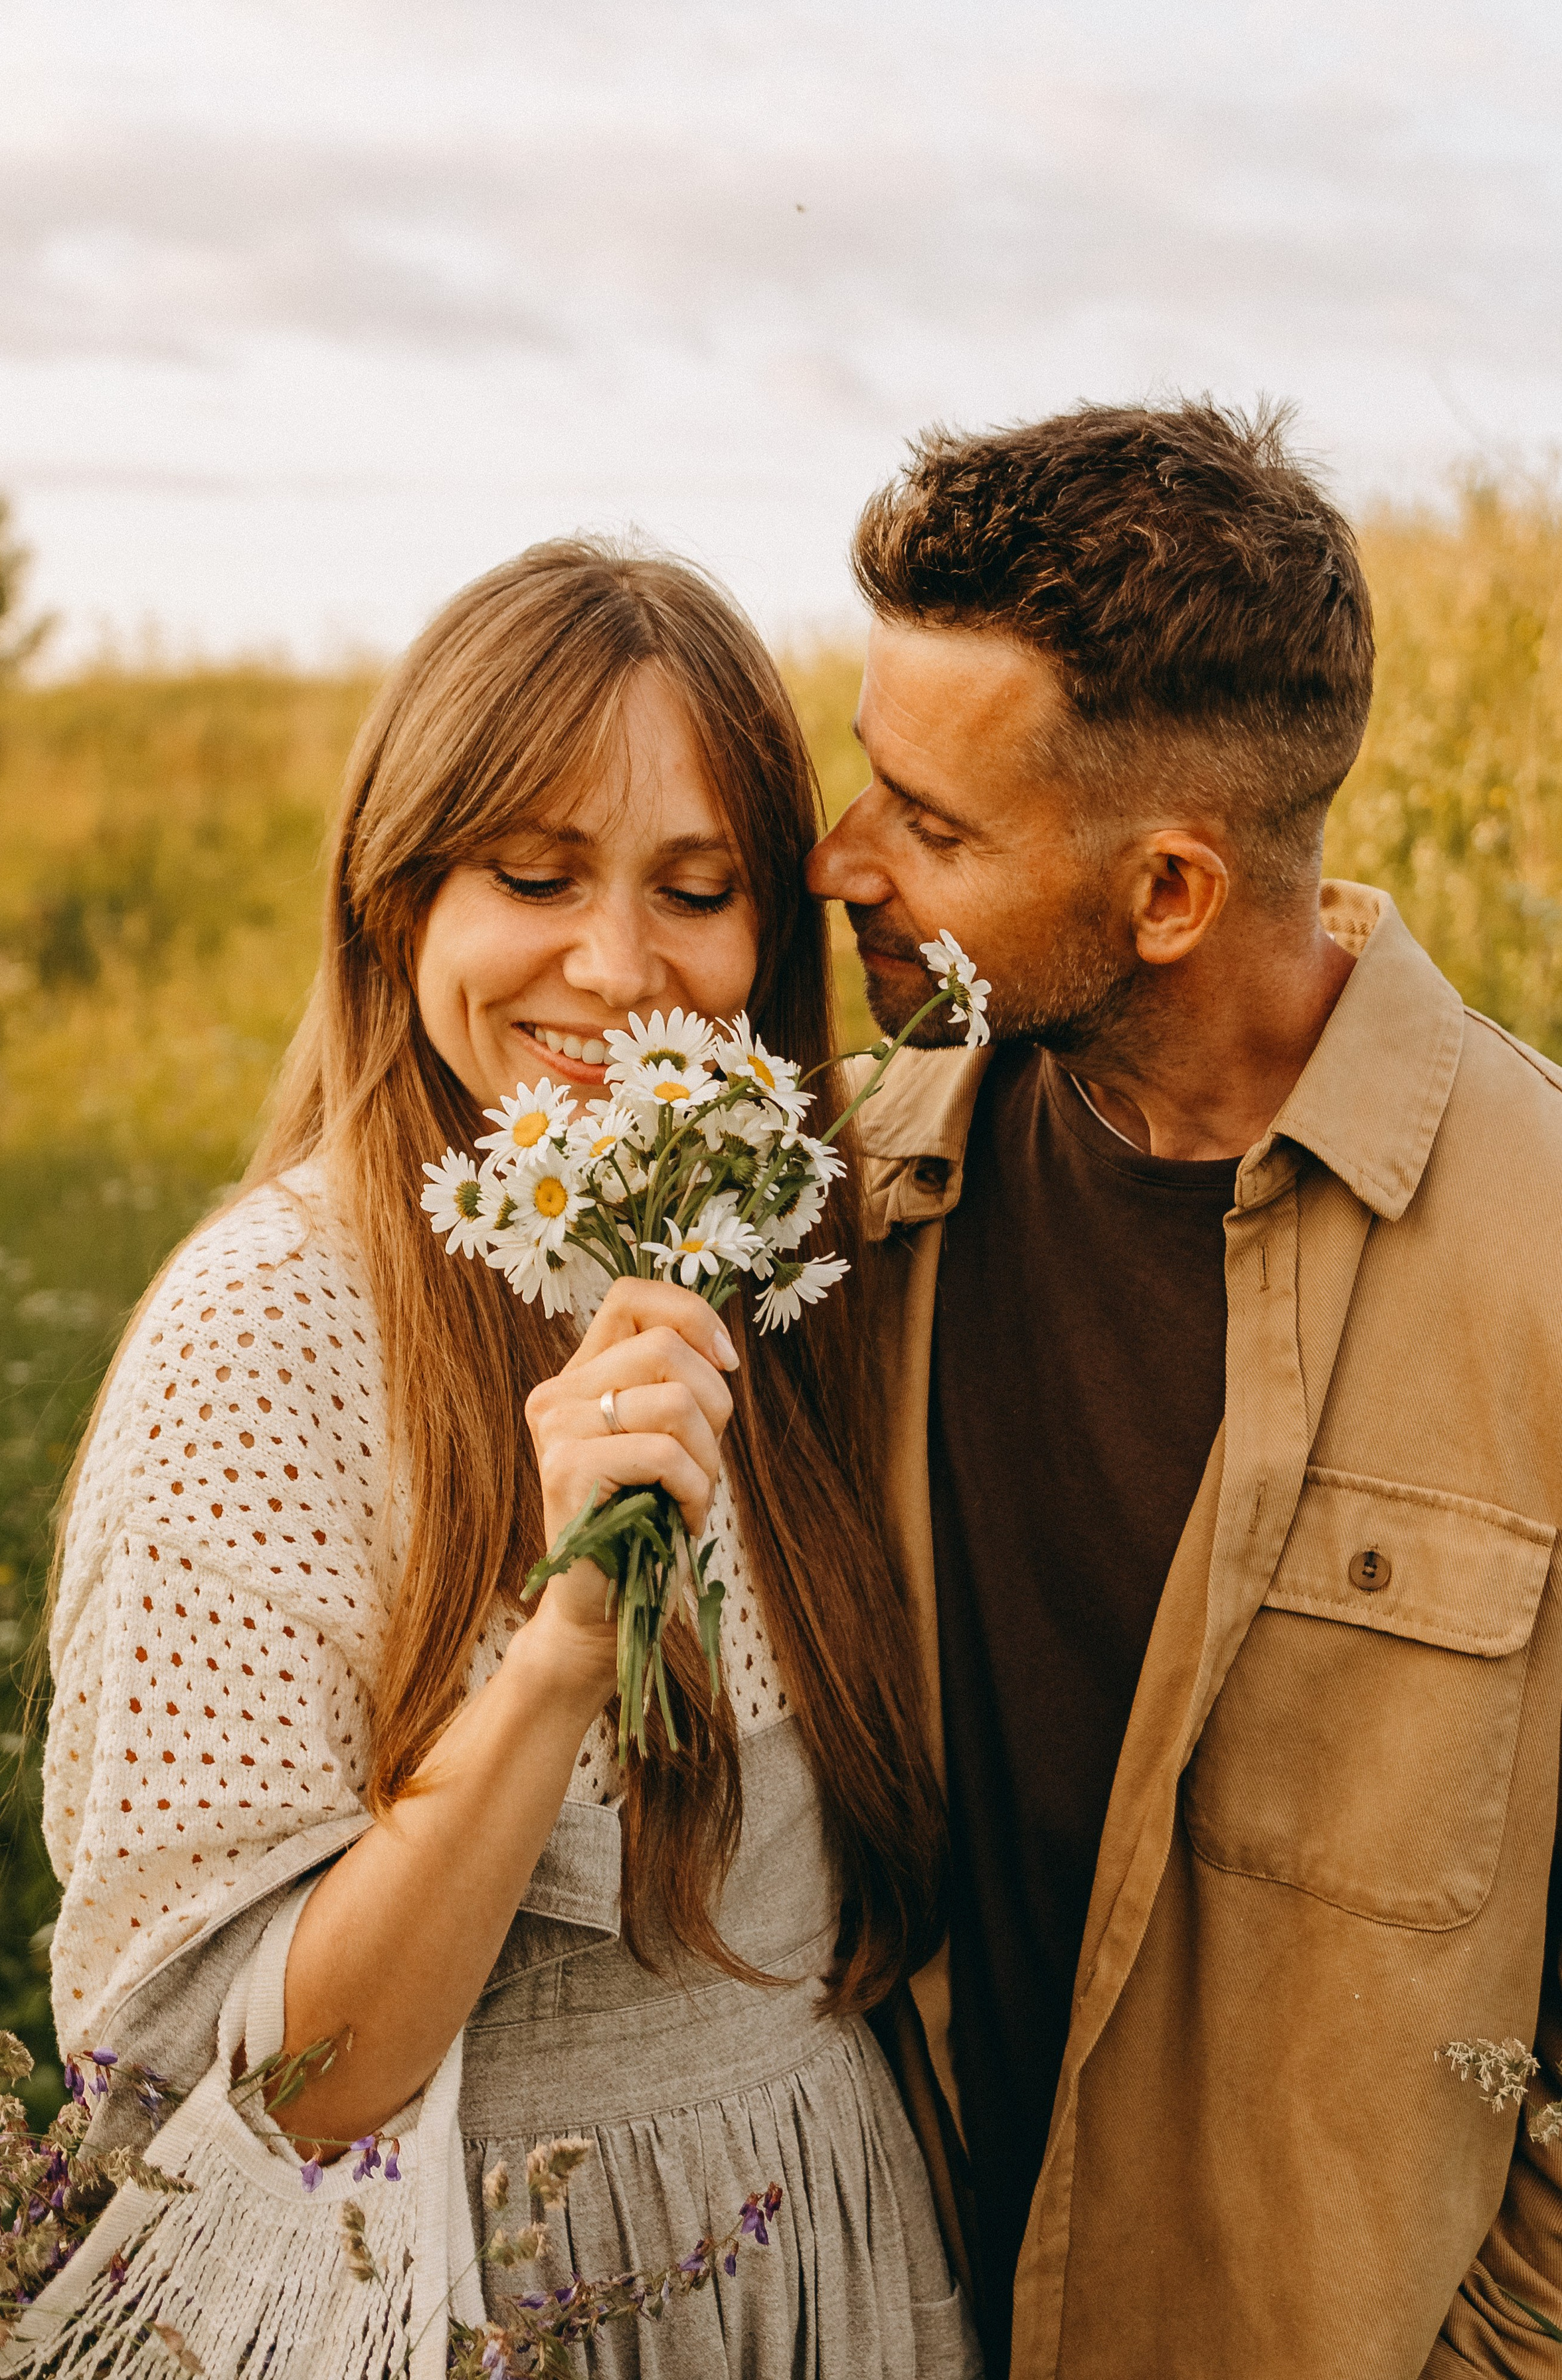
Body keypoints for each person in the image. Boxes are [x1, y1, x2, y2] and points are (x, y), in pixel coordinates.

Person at [35, 541, 980, 2377]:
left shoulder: (787, 1268)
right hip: (500, 2302)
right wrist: (558, 1649)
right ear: (395, 899)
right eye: (531, 876)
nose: (618, 968)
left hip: (833, 2272)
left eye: (694, 891)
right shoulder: (270, 1328)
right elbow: (285, 2103)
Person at [808, 402, 1562, 2377]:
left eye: (933, 826)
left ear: (1167, 895)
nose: (839, 861)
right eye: (863, 780)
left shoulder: (1548, 1269)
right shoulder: (856, 1202)